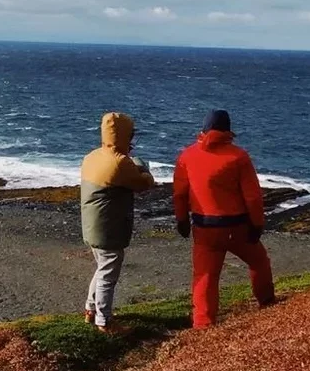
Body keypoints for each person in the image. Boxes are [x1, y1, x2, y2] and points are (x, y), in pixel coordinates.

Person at [173, 109, 275, 328]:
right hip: (236, 226)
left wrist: (181, 220)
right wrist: (257, 224)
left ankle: (203, 323)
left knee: (205, 276)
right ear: (228, 131)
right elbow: (253, 197)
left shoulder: (187, 156)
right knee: (258, 261)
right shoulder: (238, 157)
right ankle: (266, 301)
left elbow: (180, 193)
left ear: (204, 129)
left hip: (204, 227)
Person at [80, 112, 157, 332]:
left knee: (102, 267)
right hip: (108, 227)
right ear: (125, 135)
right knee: (108, 273)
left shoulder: (92, 156)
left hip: (92, 225)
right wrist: (143, 167)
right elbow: (143, 184)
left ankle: (90, 309)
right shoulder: (119, 162)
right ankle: (104, 321)